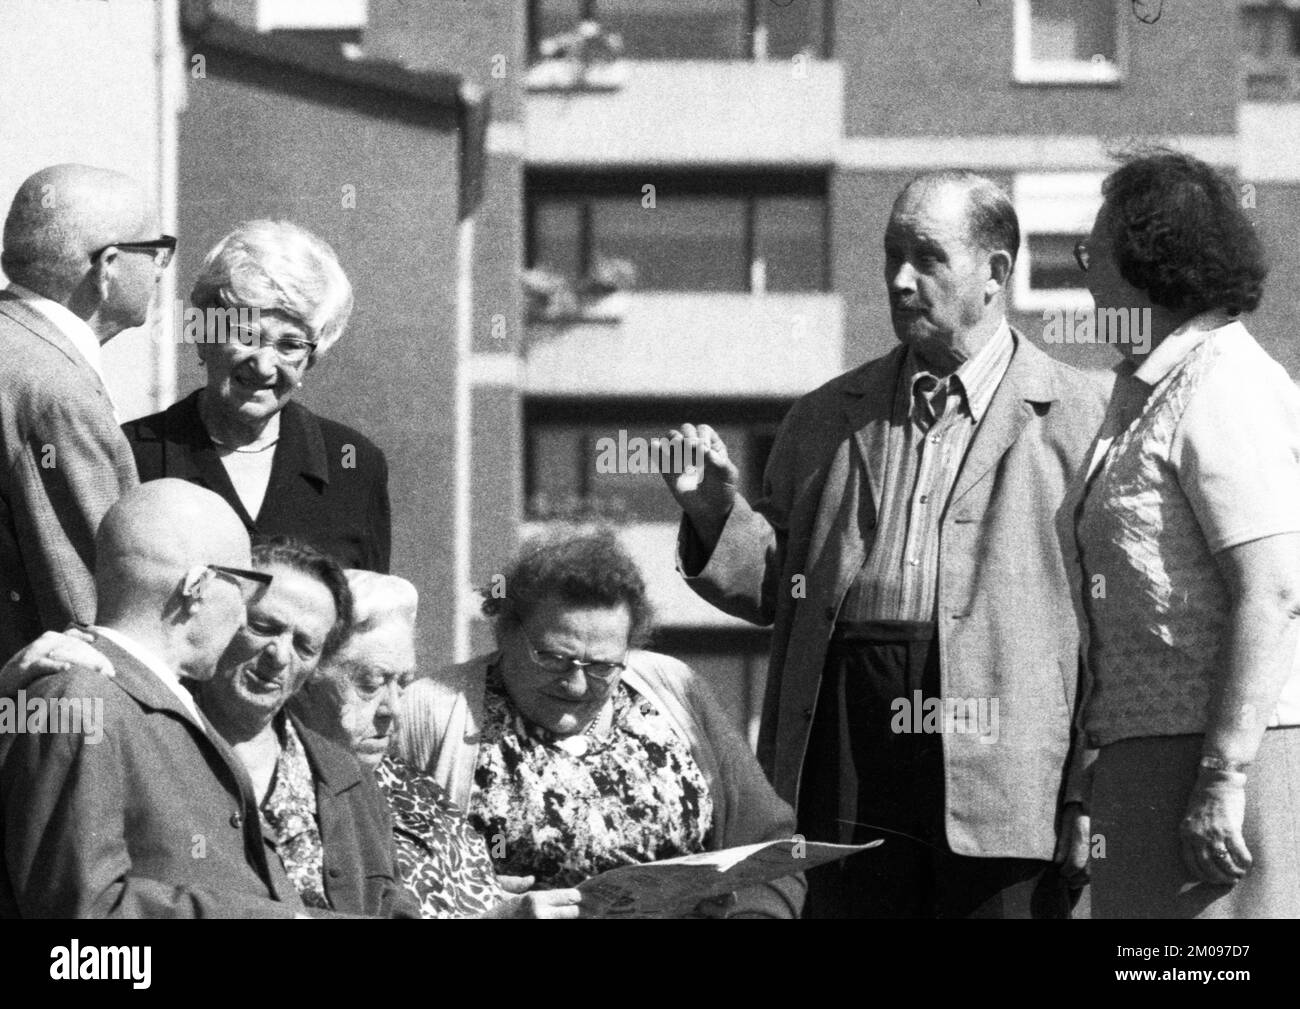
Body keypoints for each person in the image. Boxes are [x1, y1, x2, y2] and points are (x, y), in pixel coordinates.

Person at [662, 171, 1107, 918]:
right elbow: (778, 588)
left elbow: (1114, 625)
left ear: (997, 272)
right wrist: (713, 509)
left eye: (928, 257)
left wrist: (1088, 786)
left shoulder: (1084, 416)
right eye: (892, 254)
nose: (900, 279)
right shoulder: (824, 416)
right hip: (845, 744)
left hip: (1006, 763)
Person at [1069, 149, 1300, 918]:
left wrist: (1224, 776)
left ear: (1145, 260)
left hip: (1223, 768)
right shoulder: (1147, 388)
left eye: (1089, 254)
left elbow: (1271, 589)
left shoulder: (1225, 382)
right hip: (1154, 765)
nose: (1083, 276)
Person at [397, 530, 804, 918]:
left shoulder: (674, 688)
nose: (576, 685)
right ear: (505, 630)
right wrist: (479, 907)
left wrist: (749, 913)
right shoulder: (433, 709)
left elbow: (767, 846)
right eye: (554, 658)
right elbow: (373, 873)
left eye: (603, 666)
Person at [0, 480, 305, 917]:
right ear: (197, 586)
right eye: (245, 590)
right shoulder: (77, 698)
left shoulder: (151, 698)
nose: (243, 619)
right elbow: (81, 919)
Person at [122, 219, 390, 572]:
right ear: (205, 335)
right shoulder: (131, 454)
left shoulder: (352, 463)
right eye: (246, 335)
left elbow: (364, 619)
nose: (264, 366)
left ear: (311, 357)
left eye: (290, 345)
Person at [315, 569, 582, 919]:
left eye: (402, 683)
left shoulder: (410, 783)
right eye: (370, 683)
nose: (393, 709)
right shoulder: (293, 790)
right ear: (307, 674)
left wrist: (481, 887)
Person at [0, 164, 169, 659]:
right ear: (109, 266)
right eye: (156, 250)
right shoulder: (55, 388)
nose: (161, 268)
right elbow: (92, 602)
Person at [193, 537, 412, 918]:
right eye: (263, 627)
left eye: (305, 646)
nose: (279, 656)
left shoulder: (349, 779)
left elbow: (391, 907)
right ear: (224, 616)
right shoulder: (157, 739)